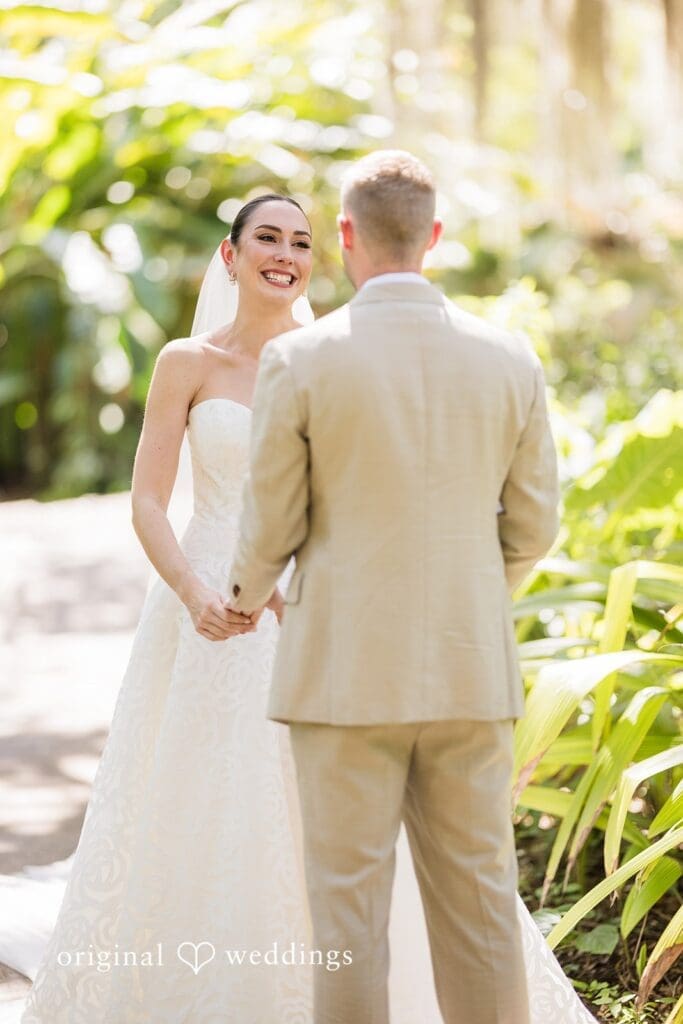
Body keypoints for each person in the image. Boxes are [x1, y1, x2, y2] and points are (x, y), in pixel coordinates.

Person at [0, 187, 597, 1024]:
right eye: (268, 238)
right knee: (192, 802)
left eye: (301, 242)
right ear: (231, 255)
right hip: (200, 599)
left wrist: (298, 586)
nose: (285, 254)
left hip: (308, 614)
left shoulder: (330, 355)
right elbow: (146, 500)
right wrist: (195, 591)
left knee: (334, 827)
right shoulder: (187, 362)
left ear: (326, 253)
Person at [226, 151, 566, 1024]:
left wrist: (240, 593)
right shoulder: (509, 359)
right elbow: (533, 529)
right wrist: (467, 593)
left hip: (341, 674)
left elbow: (271, 525)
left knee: (346, 918)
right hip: (468, 670)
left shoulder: (299, 360)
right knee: (482, 908)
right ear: (435, 238)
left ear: (343, 237)